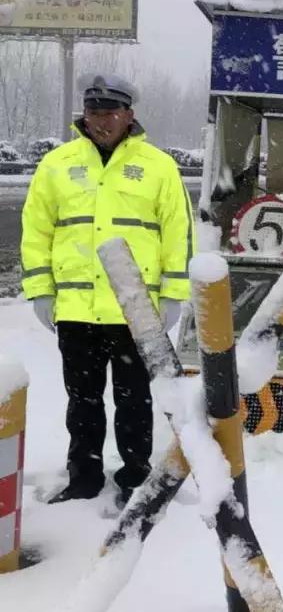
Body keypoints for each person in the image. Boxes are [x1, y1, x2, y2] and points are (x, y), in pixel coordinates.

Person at [21, 73, 194, 505]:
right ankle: (84, 476)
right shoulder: (57, 165)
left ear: (129, 115)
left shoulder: (157, 166)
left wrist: (173, 295)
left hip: (134, 310)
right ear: (85, 114)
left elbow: (178, 233)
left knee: (134, 401)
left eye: (111, 112)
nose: (102, 120)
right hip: (77, 308)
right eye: (95, 112)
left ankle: (136, 475)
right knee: (83, 403)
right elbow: (36, 231)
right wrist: (42, 290)